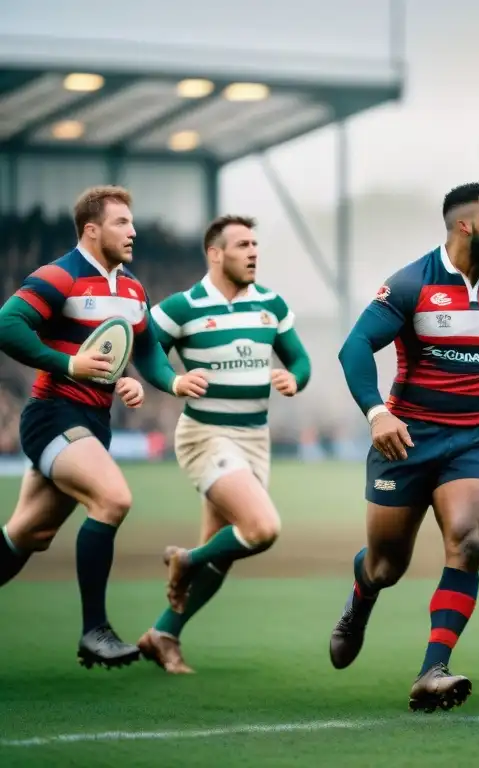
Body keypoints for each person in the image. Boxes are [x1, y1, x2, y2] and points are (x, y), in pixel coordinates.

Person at [331, 181, 479, 712]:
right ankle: (360, 599)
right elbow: (354, 346)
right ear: (463, 225)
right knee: (387, 566)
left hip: (473, 441)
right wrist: (377, 412)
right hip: (405, 441)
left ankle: (433, 668)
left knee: (468, 539)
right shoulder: (411, 285)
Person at [0, 185, 208, 668]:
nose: (133, 231)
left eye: (133, 223)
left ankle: (92, 626)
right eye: (121, 223)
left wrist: (168, 383)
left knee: (28, 533)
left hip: (93, 422)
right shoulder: (60, 276)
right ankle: (94, 630)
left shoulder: (132, 287)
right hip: (52, 416)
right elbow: (8, 324)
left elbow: (147, 350)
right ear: (91, 230)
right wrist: (68, 365)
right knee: (113, 498)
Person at [135, 215, 312, 674]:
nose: (253, 252)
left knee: (223, 551)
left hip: (255, 439)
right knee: (261, 528)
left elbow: (299, 357)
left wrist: (295, 377)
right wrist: (172, 381)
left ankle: (163, 635)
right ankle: (185, 561)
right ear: (215, 254)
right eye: (242, 245)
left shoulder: (270, 304)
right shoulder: (184, 306)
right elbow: (143, 347)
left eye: (256, 243)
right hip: (205, 436)